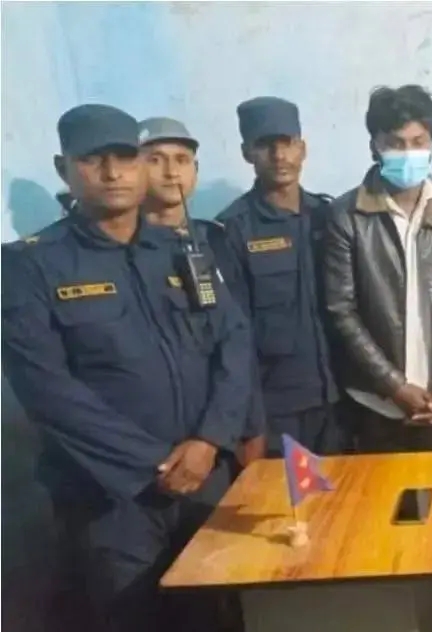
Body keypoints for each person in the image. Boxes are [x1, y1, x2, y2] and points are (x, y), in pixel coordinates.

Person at [1, 104, 253, 632]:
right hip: (113, 500)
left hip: (204, 480)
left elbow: (233, 342)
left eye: (124, 157)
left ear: (140, 165)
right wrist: (154, 465)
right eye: (93, 160)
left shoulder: (182, 250)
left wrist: (210, 439)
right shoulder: (30, 265)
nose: (113, 172)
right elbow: (47, 392)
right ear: (63, 168)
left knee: (220, 617)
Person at [325, 84, 432, 455]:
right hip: (375, 404)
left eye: (418, 141)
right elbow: (341, 310)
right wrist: (394, 386)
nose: (408, 152)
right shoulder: (347, 216)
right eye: (395, 143)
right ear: (374, 146)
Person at [217, 97, 342, 457]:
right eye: (265, 145)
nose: (279, 155)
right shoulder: (233, 229)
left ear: (302, 148)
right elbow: (234, 334)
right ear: (247, 153)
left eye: (287, 143)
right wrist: (250, 421)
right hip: (277, 409)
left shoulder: (329, 216)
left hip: (340, 401)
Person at [138, 116, 265, 467]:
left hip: (223, 428)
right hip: (158, 439)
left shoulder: (216, 240)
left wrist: (252, 426)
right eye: (155, 160)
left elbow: (240, 338)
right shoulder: (124, 251)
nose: (171, 172)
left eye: (182, 160)